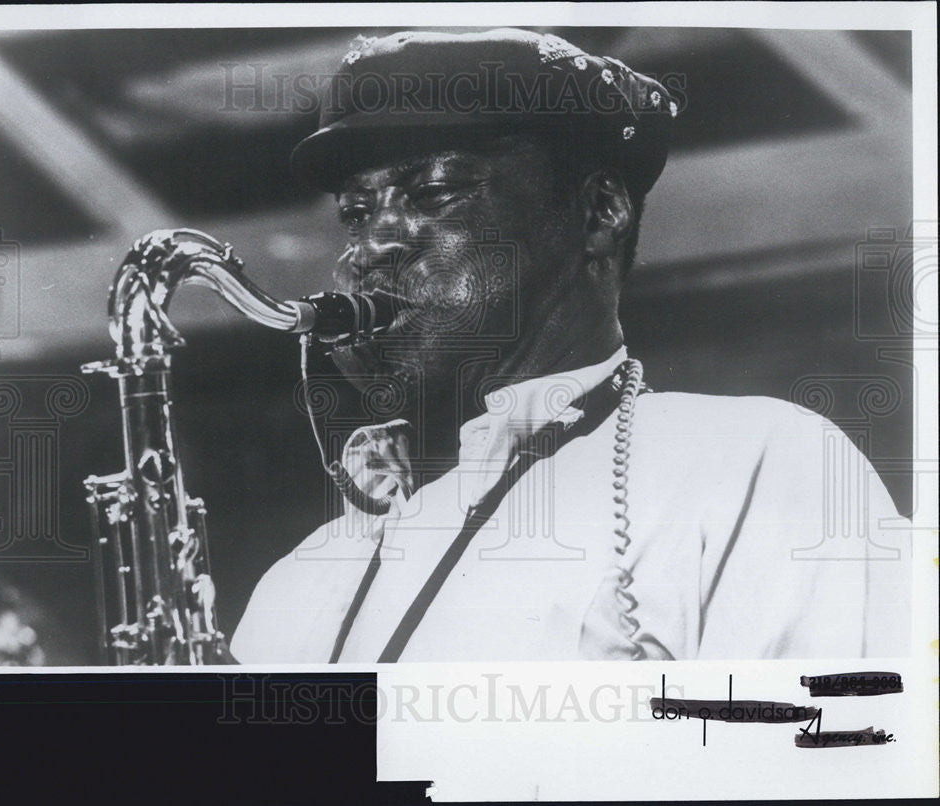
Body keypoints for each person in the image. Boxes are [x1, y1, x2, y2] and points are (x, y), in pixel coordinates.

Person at [231, 28, 911, 662]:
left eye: (433, 190)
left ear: (599, 213)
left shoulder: (757, 464)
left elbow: (822, 759)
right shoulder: (293, 583)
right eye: (356, 213)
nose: (367, 249)